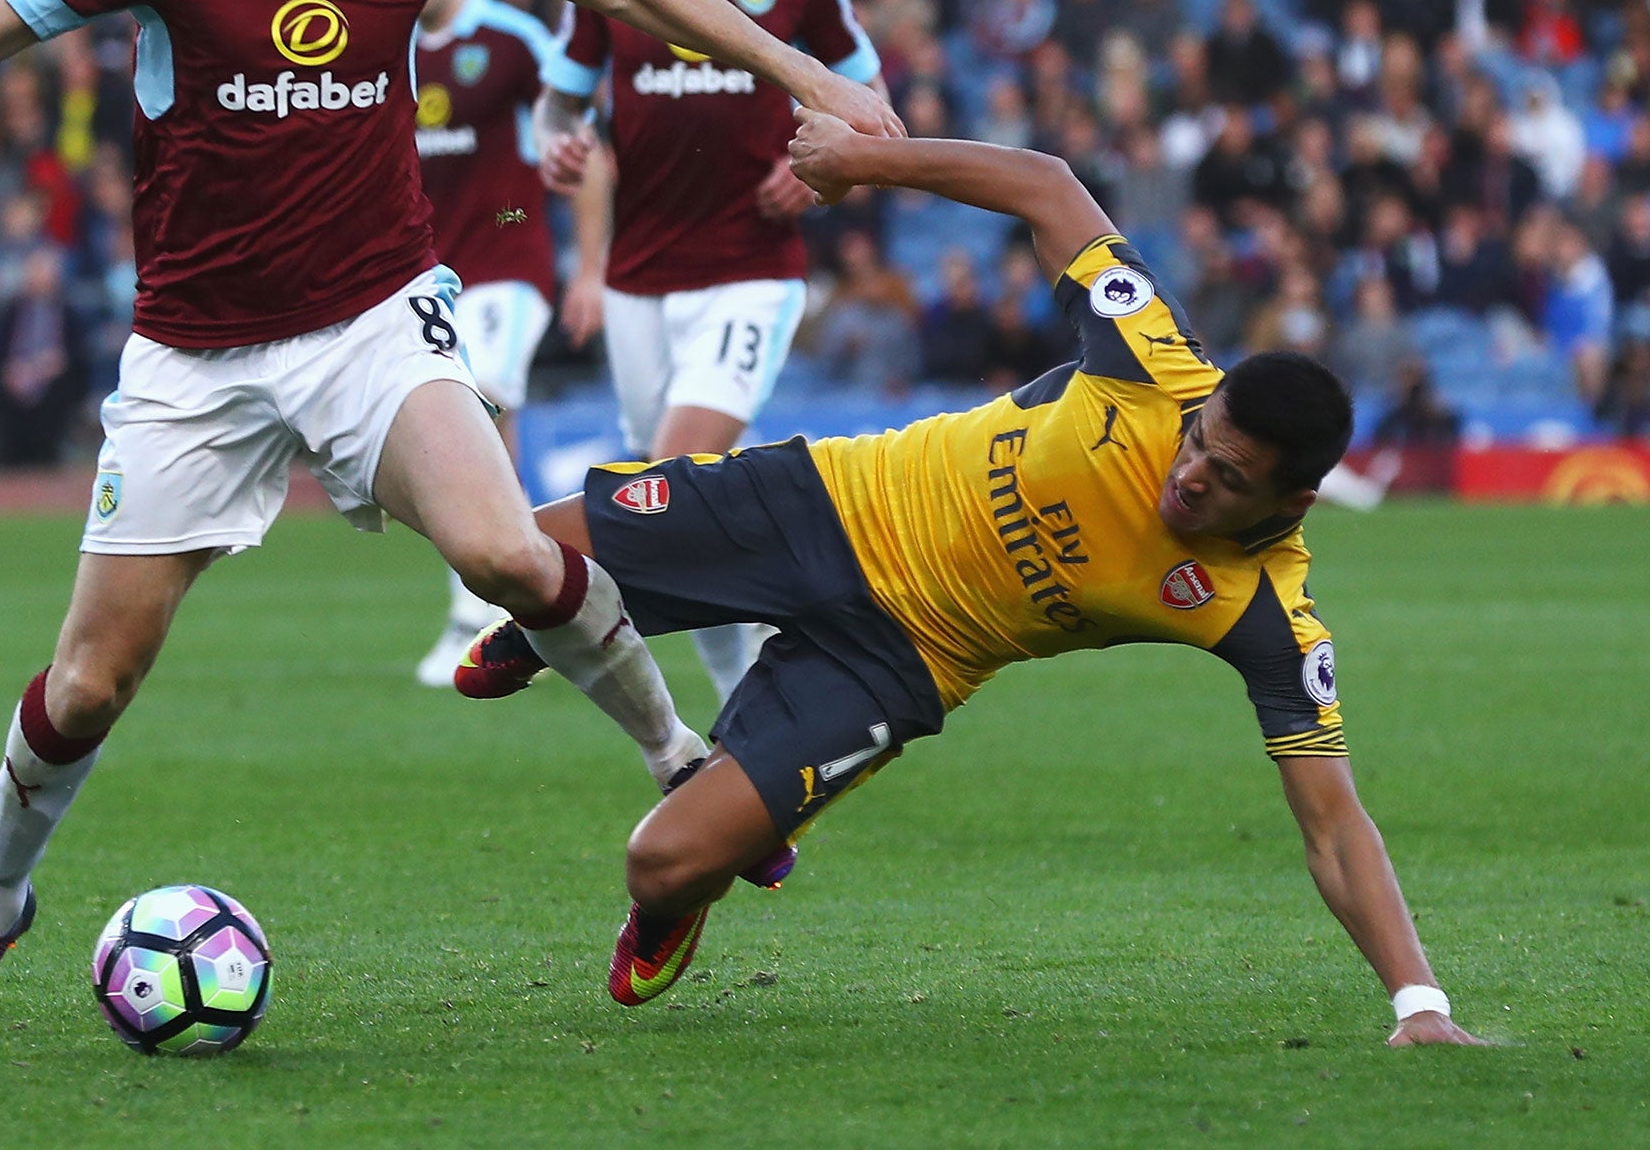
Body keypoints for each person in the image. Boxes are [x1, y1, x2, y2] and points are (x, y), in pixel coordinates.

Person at [0, 0, 901, 1038]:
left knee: (512, 556)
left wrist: (803, 68)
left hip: (373, 321)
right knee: (86, 687)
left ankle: (682, 762)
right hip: (193, 358)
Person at [459, 115, 1482, 1047]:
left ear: (1291, 504)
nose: (1188, 476)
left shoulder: (1265, 613)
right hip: (820, 501)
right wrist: (865, 164)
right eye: (1197, 444)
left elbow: (1333, 823)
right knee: (509, 548)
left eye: (1225, 481)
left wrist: (1419, 1004)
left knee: (662, 862)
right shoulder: (1154, 360)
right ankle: (559, 619)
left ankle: (690, 848)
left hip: (898, 662)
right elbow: (1044, 181)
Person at [534, 0, 885, 704]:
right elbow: (558, 103)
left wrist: (824, 172)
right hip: (637, 282)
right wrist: (555, 144)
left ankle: (803, 643)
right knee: (678, 512)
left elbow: (871, 111)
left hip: (751, 271)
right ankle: (753, 689)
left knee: (673, 482)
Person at [408, 0, 560, 685]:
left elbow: (577, 133)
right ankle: (527, 597)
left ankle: (484, 611)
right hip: (427, 275)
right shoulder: (393, 46)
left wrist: (589, 263)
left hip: (508, 256)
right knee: (448, 436)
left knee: (483, 399)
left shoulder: (512, 39)